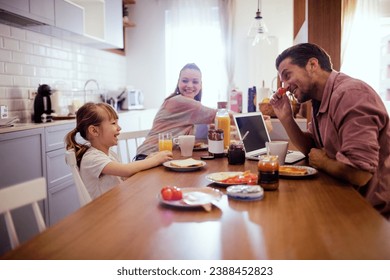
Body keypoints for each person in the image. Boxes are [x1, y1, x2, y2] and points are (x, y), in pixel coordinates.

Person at [270, 43, 390, 219]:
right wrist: (286, 118)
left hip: (372, 214)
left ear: (312, 65)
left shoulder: (351, 94)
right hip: (347, 197)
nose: (285, 87)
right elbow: (310, 148)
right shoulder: (320, 100)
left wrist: (324, 161)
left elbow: (359, 174)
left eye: (287, 76)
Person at [65, 102, 172, 199]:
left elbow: (123, 176)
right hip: (103, 213)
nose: (119, 127)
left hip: (116, 202)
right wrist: (156, 160)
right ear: (94, 130)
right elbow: (126, 170)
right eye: (113, 123)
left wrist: (148, 159)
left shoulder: (109, 154)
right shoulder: (92, 158)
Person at [136, 63, 223, 159]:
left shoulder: (187, 105)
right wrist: (240, 118)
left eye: (195, 82)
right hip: (149, 156)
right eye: (185, 81)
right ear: (178, 83)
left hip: (164, 156)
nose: (190, 85)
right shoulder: (180, 101)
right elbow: (223, 115)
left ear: (200, 85)